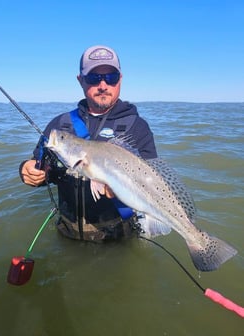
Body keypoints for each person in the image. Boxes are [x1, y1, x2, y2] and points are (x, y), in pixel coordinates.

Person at [19, 45, 158, 242]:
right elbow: (41, 166)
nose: (103, 85)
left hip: (117, 238)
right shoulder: (60, 126)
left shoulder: (137, 127)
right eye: (94, 78)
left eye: (111, 77)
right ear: (80, 80)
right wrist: (28, 171)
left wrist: (122, 190)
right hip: (67, 232)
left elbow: (154, 181)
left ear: (120, 79)